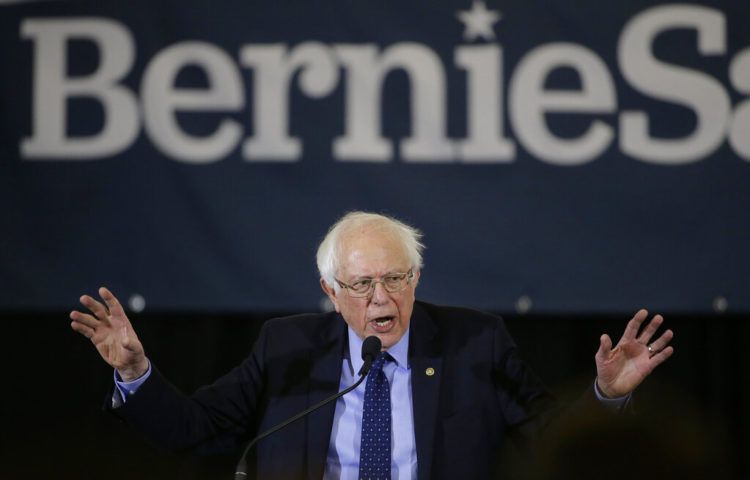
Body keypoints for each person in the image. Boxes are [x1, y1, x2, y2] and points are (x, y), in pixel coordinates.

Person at [70, 211, 674, 480]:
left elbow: (552, 443)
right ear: (331, 291)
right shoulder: (288, 346)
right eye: (362, 284)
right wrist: (137, 372)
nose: (381, 299)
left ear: (417, 280)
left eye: (396, 279)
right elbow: (193, 428)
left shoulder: (475, 342)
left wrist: (604, 396)